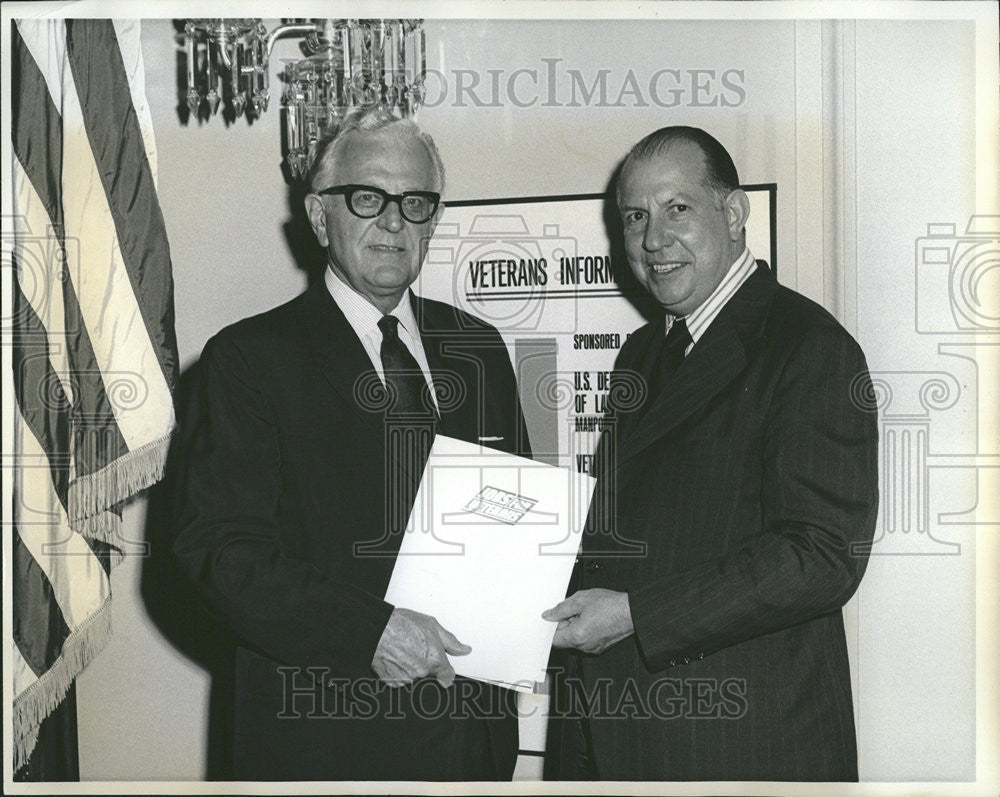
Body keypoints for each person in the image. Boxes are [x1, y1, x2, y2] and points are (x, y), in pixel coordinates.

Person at [172, 108, 530, 781]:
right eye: (368, 198)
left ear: (432, 220)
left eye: (416, 202)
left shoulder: (478, 347)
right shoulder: (249, 360)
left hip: (469, 743)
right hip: (326, 745)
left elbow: (511, 530)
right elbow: (219, 554)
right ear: (318, 216)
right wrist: (369, 631)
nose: (394, 222)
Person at [543, 126, 878, 781]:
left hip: (740, 747)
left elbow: (820, 555)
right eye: (635, 216)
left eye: (678, 209)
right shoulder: (645, 352)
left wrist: (638, 615)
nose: (652, 240)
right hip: (622, 737)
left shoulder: (809, 346)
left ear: (732, 212)